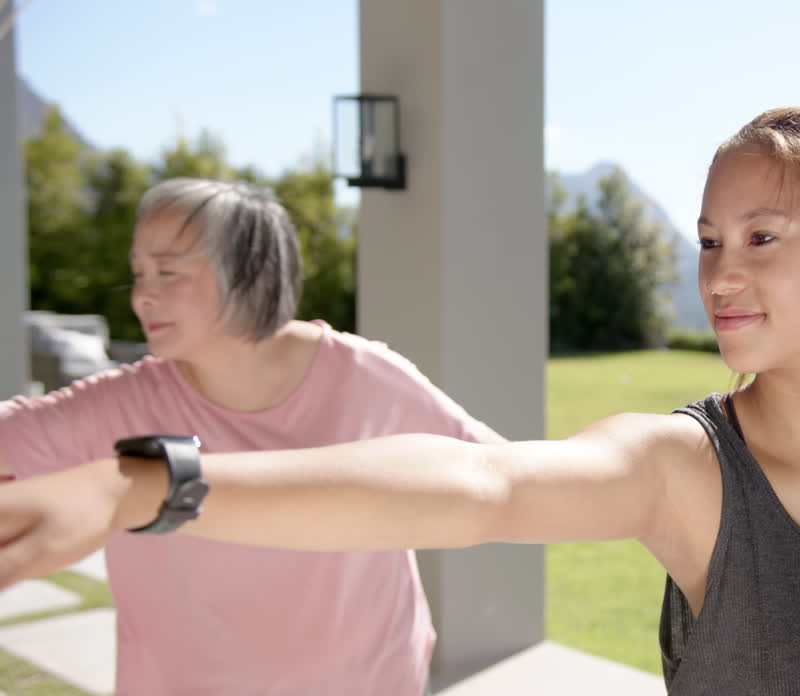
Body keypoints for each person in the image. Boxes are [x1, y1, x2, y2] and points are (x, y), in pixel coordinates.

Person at [0, 108, 800, 695]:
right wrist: (148, 483)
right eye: (707, 241)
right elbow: (476, 484)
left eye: (761, 238)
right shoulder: (681, 470)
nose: (721, 272)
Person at [0, 178, 503, 694]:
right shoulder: (121, 405)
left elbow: (499, 469)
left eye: (168, 272)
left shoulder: (367, 379)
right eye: (138, 274)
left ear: (253, 272)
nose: (142, 296)